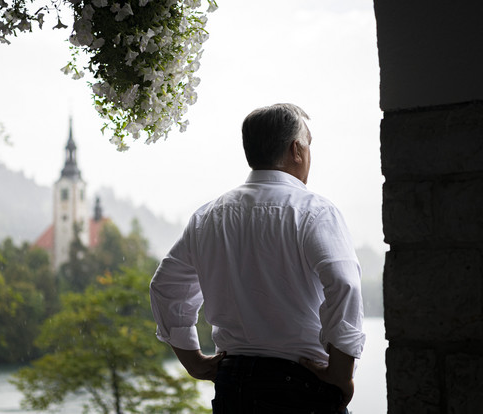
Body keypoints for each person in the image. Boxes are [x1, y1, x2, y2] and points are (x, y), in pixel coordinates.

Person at [149, 103, 365, 413]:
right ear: (296, 149)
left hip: (233, 386)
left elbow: (166, 287)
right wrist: (341, 373)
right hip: (301, 388)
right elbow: (344, 284)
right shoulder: (315, 212)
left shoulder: (208, 216)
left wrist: (194, 362)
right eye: (308, 144)